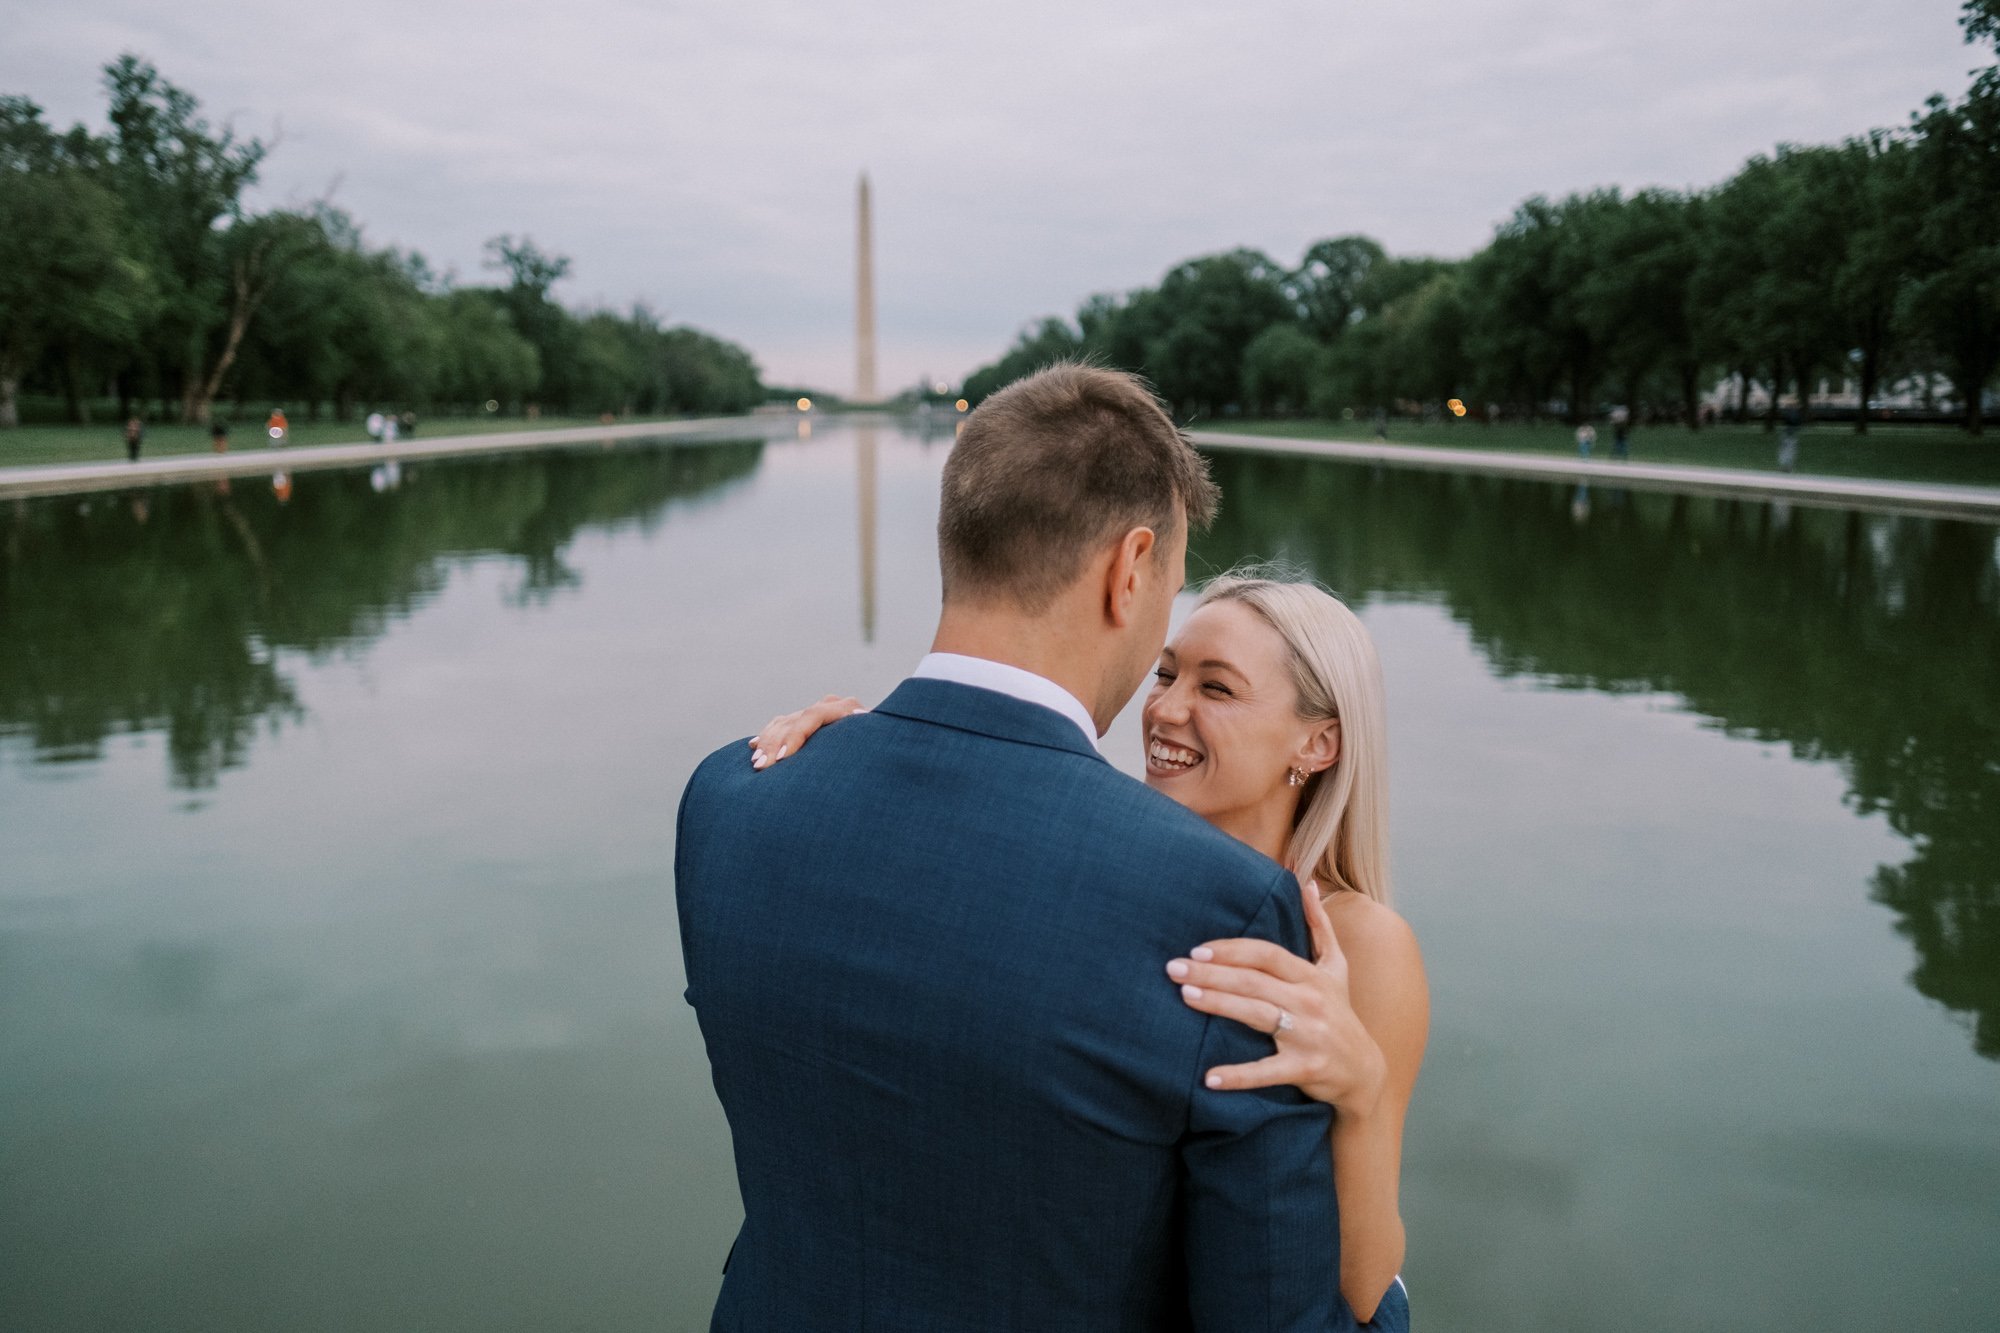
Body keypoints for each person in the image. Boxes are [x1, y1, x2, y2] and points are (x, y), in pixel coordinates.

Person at [677, 364, 1393, 1331]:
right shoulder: (1222, 909)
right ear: (1129, 569)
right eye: (1170, 594)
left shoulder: (730, 795)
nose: (1160, 685)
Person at [755, 573, 1428, 1326]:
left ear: (1320, 739)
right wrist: (851, 753)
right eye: (1167, 673)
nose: (1166, 709)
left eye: (1218, 689)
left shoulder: (1364, 947)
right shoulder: (1096, 867)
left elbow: (1362, 1292)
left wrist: (1363, 1091)